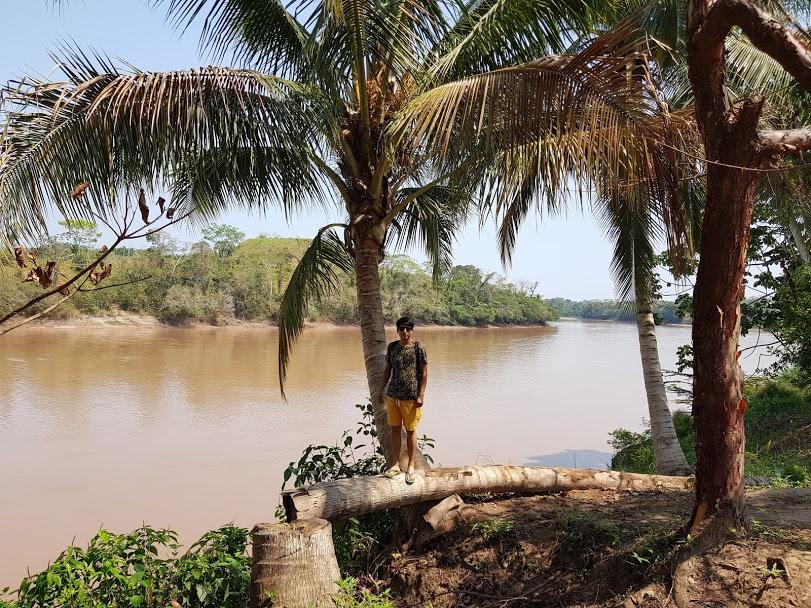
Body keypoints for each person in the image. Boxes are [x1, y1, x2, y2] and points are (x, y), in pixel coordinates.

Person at [380, 316, 428, 485]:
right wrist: (381, 390)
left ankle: (411, 465)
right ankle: (394, 465)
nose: (404, 332)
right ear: (398, 330)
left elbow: (424, 373)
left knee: (410, 431)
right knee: (394, 429)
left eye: (408, 329)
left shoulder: (418, 348)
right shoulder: (392, 347)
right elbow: (387, 370)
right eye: (401, 329)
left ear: (412, 331)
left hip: (410, 398)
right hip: (393, 396)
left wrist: (421, 394)